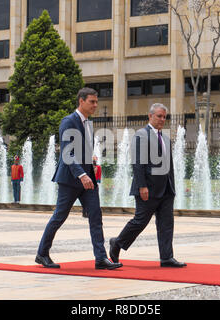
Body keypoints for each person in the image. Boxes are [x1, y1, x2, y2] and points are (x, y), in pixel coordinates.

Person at [36, 87, 122, 270]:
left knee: (96, 216)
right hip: (70, 179)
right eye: (92, 101)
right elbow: (67, 152)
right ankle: (42, 253)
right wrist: (81, 174)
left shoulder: (87, 123)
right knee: (59, 216)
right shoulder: (68, 121)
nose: (95, 105)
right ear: (81, 101)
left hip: (87, 178)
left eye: (96, 102)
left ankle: (101, 258)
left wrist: (89, 161)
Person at [109, 103, 187, 268]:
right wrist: (141, 186)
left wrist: (172, 186)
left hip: (166, 188)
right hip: (148, 188)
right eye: (159, 116)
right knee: (140, 221)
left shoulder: (165, 138)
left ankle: (166, 257)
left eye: (164, 116)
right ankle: (117, 243)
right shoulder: (140, 135)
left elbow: (169, 165)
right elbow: (138, 163)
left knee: (166, 224)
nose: (162, 119)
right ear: (150, 116)